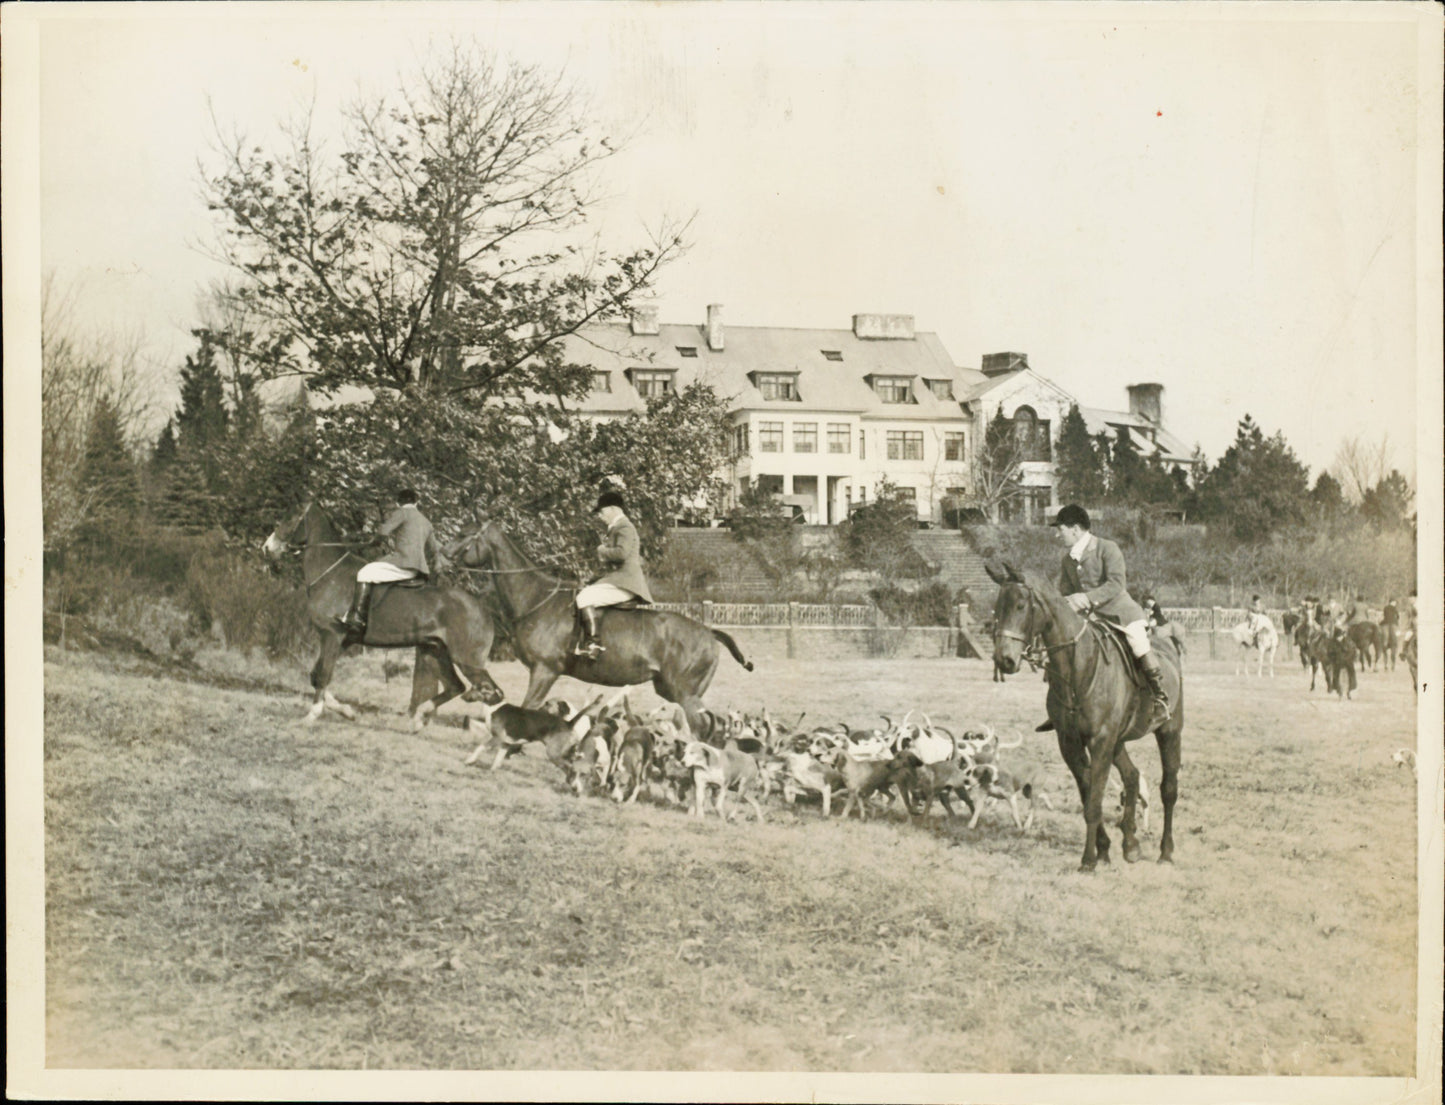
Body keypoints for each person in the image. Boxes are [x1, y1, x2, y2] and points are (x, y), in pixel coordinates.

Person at [1050, 503, 1171, 727]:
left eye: (1061, 529)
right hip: (1089, 618)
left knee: (1138, 643)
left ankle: (1160, 699)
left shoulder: (1107, 548)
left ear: (1075, 529)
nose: (1058, 535)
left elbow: (1116, 583)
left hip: (1119, 613)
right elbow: (1066, 590)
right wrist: (1065, 602)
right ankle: (1063, 705)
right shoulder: (1067, 560)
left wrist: (1086, 598)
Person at [341, 489, 439, 637]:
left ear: (398, 502)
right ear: (416, 502)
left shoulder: (402, 512)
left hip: (403, 564)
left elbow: (383, 532)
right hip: (420, 570)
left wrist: (374, 542)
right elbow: (435, 549)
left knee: (364, 573)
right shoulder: (426, 522)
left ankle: (357, 618)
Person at [574, 489, 653, 659]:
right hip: (619, 579)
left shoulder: (624, 526)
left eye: (601, 512)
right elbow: (611, 565)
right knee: (585, 592)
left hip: (626, 582)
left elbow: (622, 554)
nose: (600, 516)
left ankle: (593, 643)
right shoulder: (617, 528)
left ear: (612, 509)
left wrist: (602, 550)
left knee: (584, 598)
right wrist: (591, 579)